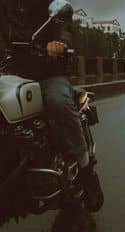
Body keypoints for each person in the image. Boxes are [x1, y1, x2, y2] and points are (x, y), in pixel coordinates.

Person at [0, 0, 101, 208]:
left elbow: (62, 27)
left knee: (58, 101)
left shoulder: (47, 5)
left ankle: (85, 170)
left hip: (48, 72)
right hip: (11, 73)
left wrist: (59, 44)